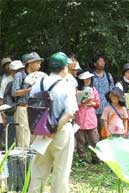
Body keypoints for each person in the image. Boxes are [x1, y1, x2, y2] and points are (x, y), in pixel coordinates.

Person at [28, 52, 78, 193]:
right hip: (60, 132)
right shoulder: (66, 85)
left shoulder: (38, 83)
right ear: (65, 68)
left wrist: (42, 130)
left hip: (39, 131)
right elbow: (70, 112)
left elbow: (31, 107)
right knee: (61, 171)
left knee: (38, 171)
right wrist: (53, 130)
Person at [12, 52, 43, 147]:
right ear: (29, 63)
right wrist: (28, 89)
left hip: (35, 108)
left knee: (34, 136)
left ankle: (32, 161)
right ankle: (23, 161)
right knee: (23, 136)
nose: (39, 65)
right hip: (22, 108)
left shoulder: (38, 76)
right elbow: (14, 92)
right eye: (37, 63)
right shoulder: (19, 75)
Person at [75, 71, 100, 164]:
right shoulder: (76, 90)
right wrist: (82, 102)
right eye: (86, 79)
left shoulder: (93, 89)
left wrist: (91, 103)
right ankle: (82, 158)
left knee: (94, 139)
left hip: (91, 118)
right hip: (80, 118)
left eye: (89, 78)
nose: (88, 80)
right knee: (80, 140)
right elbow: (74, 103)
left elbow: (98, 103)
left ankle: (96, 157)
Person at [91, 53, 114, 136]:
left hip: (106, 108)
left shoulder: (108, 76)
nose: (102, 63)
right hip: (94, 109)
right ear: (95, 64)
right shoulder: (91, 77)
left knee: (106, 132)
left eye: (103, 61)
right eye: (100, 61)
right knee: (95, 133)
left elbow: (112, 91)